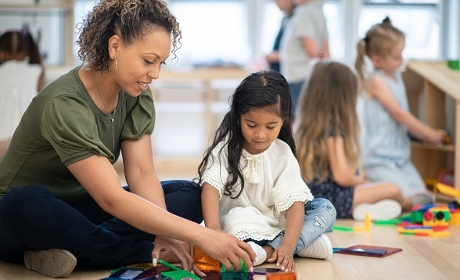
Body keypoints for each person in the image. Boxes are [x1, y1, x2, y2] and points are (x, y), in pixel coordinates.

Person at [0, 0, 256, 278]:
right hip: (22, 216)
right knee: (26, 202)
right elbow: (111, 198)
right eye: (148, 61)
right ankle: (140, 252)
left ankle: (70, 248)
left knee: (188, 195)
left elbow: (142, 172)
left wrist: (164, 229)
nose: (155, 74)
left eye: (160, 63)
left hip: (83, 208)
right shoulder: (64, 103)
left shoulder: (135, 92)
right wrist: (203, 235)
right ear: (114, 47)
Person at [195, 69, 337, 273]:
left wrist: (287, 245)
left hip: (277, 225)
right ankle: (301, 244)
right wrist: (214, 231)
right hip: (239, 225)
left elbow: (296, 206)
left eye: (271, 126)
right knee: (237, 219)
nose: (260, 134)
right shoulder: (225, 150)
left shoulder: (283, 152)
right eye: (251, 125)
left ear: (284, 121)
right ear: (238, 118)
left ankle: (272, 250)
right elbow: (210, 189)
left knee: (325, 208)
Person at [293, 61, 430, 221]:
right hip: (330, 200)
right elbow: (342, 177)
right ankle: (407, 203)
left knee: (372, 187)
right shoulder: (334, 129)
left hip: (313, 198)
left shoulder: (306, 126)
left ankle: (365, 209)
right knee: (392, 189)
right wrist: (358, 180)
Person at [355, 17, 445, 203]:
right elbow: (399, 114)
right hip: (378, 159)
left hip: (400, 159)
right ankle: (370, 196)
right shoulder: (376, 81)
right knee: (404, 198)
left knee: (424, 198)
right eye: (397, 57)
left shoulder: (397, 78)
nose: (401, 60)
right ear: (377, 60)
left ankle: (383, 197)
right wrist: (429, 134)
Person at [279, 0, 330, 117]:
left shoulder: (305, 13)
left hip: (298, 77)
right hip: (307, 76)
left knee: (298, 119)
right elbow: (326, 49)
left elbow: (311, 49)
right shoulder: (318, 11)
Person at [0, 29, 45, 158]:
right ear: (26, 51)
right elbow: (42, 102)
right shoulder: (36, 71)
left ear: (1, 52)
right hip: (28, 139)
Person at [265, 0, 295, 72]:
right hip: (279, 72)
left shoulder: (299, 20)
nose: (275, 1)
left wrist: (275, 56)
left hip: (292, 74)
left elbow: (298, 54)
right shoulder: (285, 20)